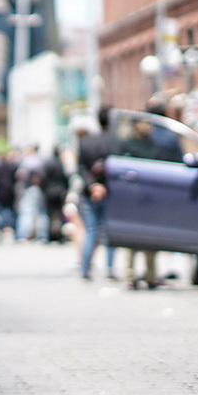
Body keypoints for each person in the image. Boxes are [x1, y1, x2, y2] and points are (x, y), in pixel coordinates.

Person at [77, 106, 118, 280]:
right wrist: (102, 187)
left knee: (91, 231)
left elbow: (80, 168)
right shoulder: (116, 141)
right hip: (110, 192)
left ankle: (86, 268)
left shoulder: (86, 141)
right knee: (109, 232)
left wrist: (93, 186)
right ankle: (109, 268)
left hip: (90, 193)